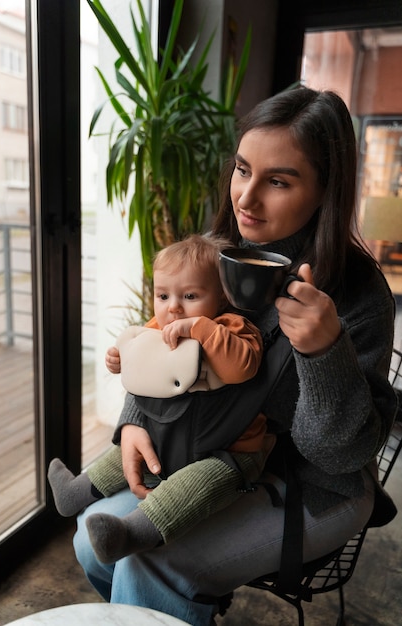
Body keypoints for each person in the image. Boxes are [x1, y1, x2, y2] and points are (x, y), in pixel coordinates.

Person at [73, 86, 397, 625]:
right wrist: (132, 422)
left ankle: (175, 596)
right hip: (206, 453)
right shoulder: (216, 253)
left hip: (313, 485)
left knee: (149, 566)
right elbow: (162, 341)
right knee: (91, 539)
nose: (246, 198)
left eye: (277, 181)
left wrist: (322, 352)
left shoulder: (357, 294)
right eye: (243, 170)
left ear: (324, 191)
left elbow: (339, 455)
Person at [49, 234, 276, 564]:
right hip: (169, 437)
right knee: (120, 457)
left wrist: (200, 328)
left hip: (228, 451)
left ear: (223, 296)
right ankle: (75, 493)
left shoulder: (232, 327)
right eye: (163, 295)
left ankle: (130, 533)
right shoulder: (156, 328)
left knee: (190, 489)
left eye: (190, 295)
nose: (174, 307)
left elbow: (242, 366)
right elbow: (142, 375)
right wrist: (120, 360)